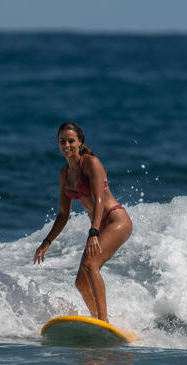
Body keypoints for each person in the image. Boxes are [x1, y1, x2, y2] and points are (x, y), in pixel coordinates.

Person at [33, 122, 133, 323]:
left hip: (115, 220)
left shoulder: (91, 163)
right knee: (81, 283)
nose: (67, 145)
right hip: (98, 226)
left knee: (89, 264)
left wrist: (94, 232)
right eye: (62, 142)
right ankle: (97, 319)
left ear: (80, 142)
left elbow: (99, 200)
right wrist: (47, 242)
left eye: (71, 141)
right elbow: (63, 214)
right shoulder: (64, 174)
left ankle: (103, 321)